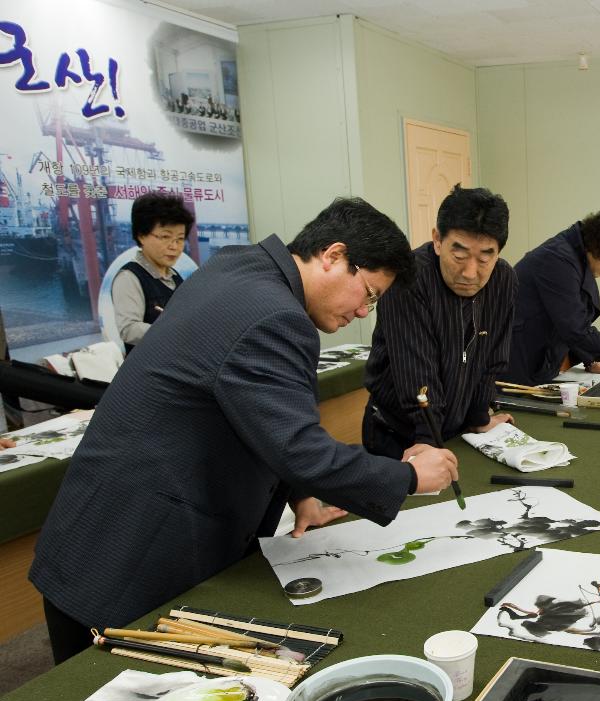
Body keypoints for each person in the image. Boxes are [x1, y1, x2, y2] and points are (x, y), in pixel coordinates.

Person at [29, 198, 459, 664]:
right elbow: (300, 447)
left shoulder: (242, 266)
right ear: (333, 256)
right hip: (128, 555)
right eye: (369, 295)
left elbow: (254, 415)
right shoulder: (275, 316)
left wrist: (299, 492)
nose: (363, 314)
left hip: (103, 530)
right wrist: (411, 477)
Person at [362, 185, 516, 462]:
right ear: (437, 240)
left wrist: (479, 416)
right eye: (459, 256)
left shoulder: (503, 279)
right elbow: (417, 375)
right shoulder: (409, 279)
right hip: (400, 434)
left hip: (454, 430)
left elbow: (492, 356)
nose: (470, 273)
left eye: (485, 258)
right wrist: (428, 439)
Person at [503, 209, 600, 386]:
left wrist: (589, 359)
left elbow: (566, 318)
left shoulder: (574, 251)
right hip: (517, 360)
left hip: (536, 355)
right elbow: (574, 327)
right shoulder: (557, 260)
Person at [113, 192, 195, 352]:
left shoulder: (175, 277)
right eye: (165, 237)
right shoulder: (129, 277)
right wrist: (175, 332)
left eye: (180, 239)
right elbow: (128, 329)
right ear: (142, 235)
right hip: (147, 372)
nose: (174, 246)